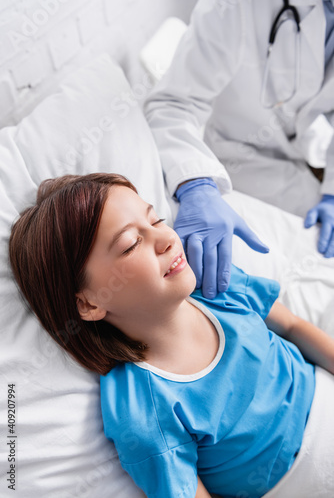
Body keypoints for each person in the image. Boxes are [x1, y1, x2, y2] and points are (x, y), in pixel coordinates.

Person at [9, 173, 334, 498]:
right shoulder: (143, 407)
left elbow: (293, 327)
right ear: (89, 302)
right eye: (131, 244)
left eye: (156, 220)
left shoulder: (217, 287)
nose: (165, 238)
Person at [144, 0, 334, 300]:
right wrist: (196, 184)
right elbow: (173, 104)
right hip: (237, 157)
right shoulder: (233, 5)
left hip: (308, 150)